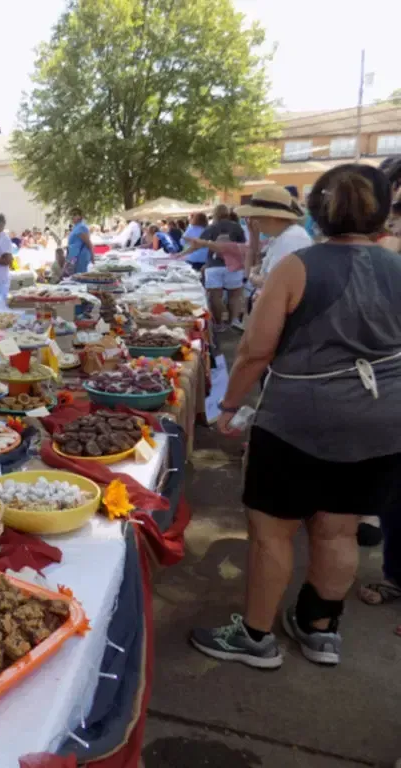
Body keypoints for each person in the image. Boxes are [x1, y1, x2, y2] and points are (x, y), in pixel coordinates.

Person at [190, 164, 401, 669]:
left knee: (272, 532)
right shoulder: (398, 266)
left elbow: (254, 352)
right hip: (381, 421)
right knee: (339, 529)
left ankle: (257, 637)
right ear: (383, 211)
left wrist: (228, 406)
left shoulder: (298, 266)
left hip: (298, 420)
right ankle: (319, 630)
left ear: (314, 213)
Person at [235, 186, 313, 291]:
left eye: (255, 216)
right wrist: (254, 235)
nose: (251, 220)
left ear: (270, 217)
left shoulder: (291, 239)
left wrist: (252, 276)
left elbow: (271, 283)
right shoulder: (283, 236)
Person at [181, 204, 246, 329]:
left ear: (215, 214)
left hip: (213, 265)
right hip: (233, 265)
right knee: (234, 295)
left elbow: (197, 244)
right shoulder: (236, 227)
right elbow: (243, 247)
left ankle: (219, 324)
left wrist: (181, 254)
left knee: (215, 296)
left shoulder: (211, 227)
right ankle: (233, 321)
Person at [67, 208, 93, 274]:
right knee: (74, 274)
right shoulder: (76, 227)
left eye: (75, 214)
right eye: (71, 215)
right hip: (74, 256)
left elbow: (89, 243)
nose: (72, 216)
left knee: (80, 276)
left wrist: (92, 258)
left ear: (80, 216)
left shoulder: (81, 227)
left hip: (81, 257)